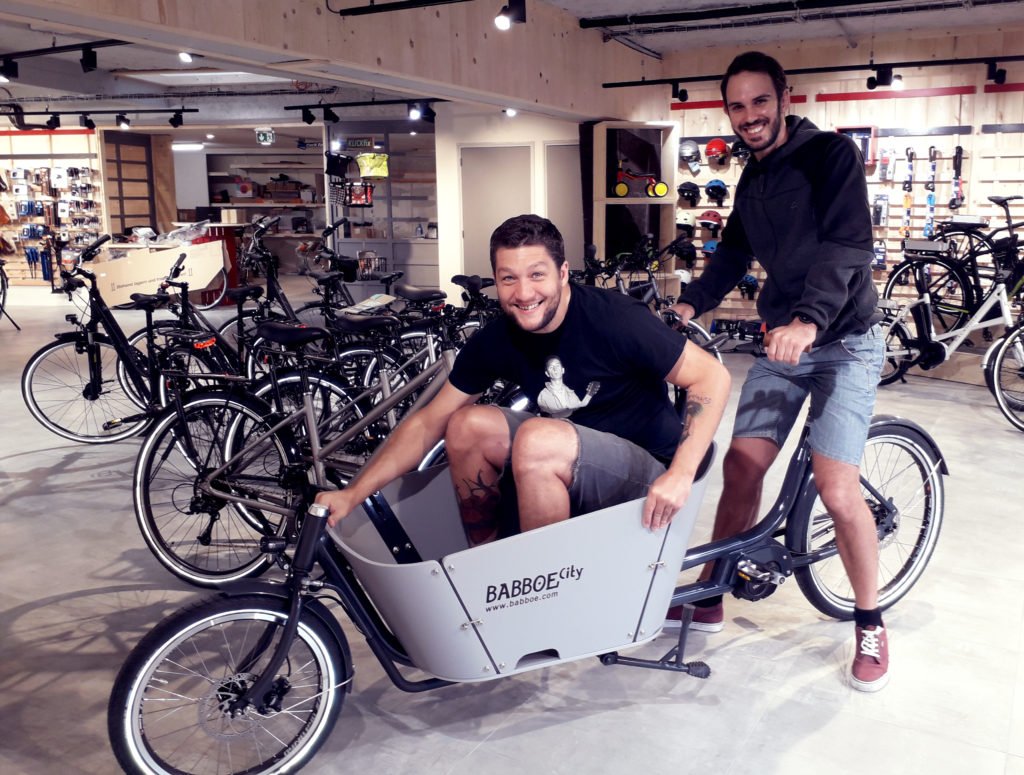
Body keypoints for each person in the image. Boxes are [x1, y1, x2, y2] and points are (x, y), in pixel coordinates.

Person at [669, 51, 888, 692]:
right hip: (783, 345)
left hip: (843, 342)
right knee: (741, 463)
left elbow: (849, 246)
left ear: (784, 97)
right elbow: (733, 252)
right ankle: (712, 590)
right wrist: (690, 301)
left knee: (838, 487)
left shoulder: (831, 158)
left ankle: (869, 621)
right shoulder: (751, 179)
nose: (748, 117)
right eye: (736, 107)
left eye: (759, 102)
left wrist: (811, 321)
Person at [316, 214, 730, 550]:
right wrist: (352, 494)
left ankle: (540, 587)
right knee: (465, 424)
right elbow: (429, 422)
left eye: (536, 275)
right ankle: (490, 563)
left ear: (563, 273)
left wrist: (679, 475)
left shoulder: (616, 319)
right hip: (569, 454)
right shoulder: (499, 336)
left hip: (646, 470)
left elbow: (711, 376)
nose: (523, 292)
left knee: (537, 439)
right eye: (508, 278)